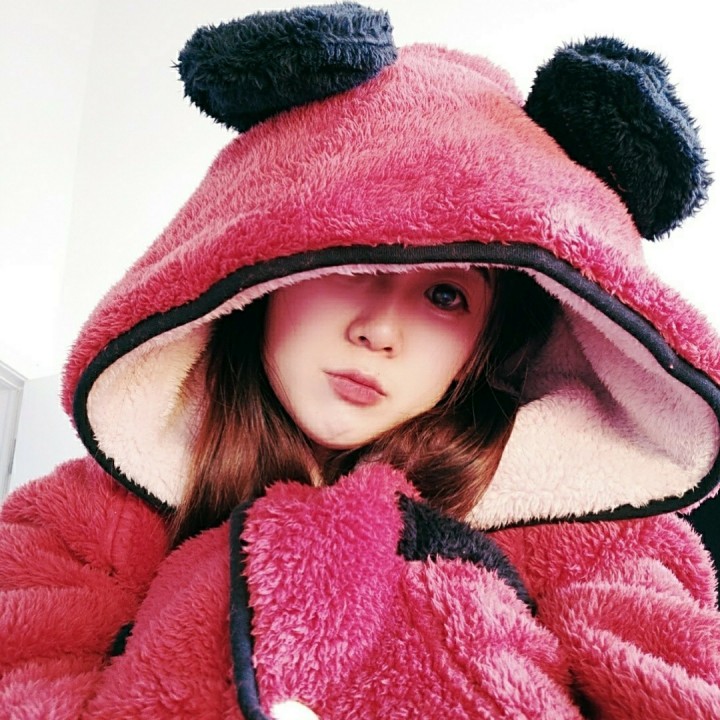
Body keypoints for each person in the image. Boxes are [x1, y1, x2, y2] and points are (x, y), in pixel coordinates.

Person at [1, 4, 719, 719]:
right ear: (263, 272)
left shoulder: (598, 543)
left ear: (483, 346)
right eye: (350, 263)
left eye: (445, 295)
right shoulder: (86, 516)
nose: (379, 330)